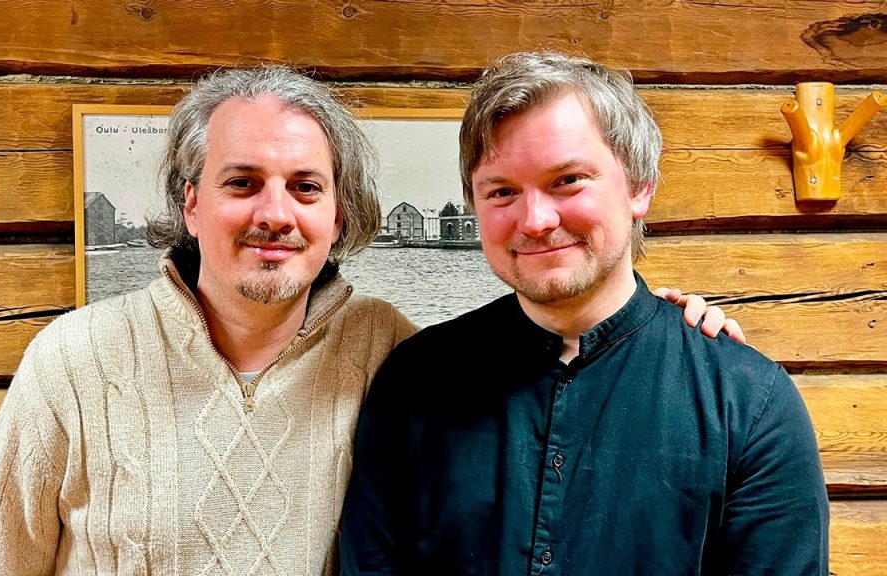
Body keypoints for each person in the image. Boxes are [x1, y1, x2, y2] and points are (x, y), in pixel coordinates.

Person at [0, 65, 740, 575]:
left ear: (339, 215)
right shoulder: (72, 362)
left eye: (306, 187)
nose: (276, 213)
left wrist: (672, 332)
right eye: (242, 182)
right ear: (190, 201)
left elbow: (561, 354)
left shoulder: (391, 354)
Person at [339, 51, 829, 575]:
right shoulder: (415, 379)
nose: (535, 219)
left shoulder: (748, 400)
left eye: (567, 180)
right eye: (502, 190)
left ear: (640, 186)